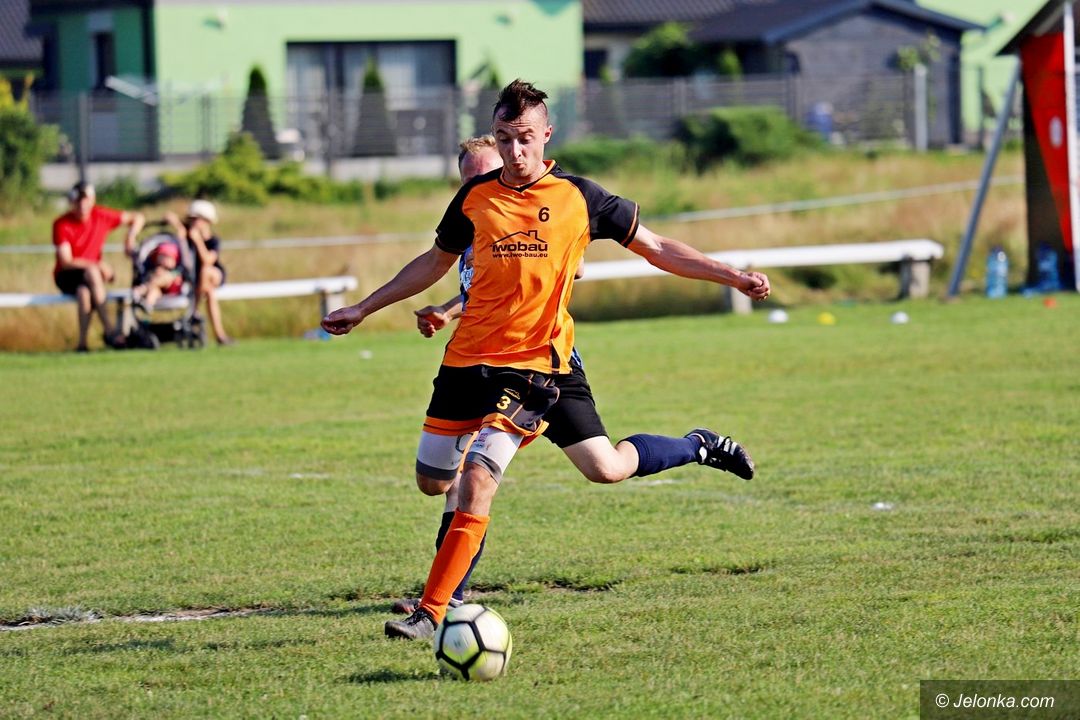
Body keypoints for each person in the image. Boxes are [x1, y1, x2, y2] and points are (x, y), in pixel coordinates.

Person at [321, 79, 771, 640]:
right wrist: (364, 308)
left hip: (536, 367)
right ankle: (698, 443)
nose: (514, 151)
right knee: (449, 481)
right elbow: (433, 262)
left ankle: (432, 611)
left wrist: (732, 275)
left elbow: (657, 248)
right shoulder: (474, 197)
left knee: (479, 476)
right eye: (504, 138)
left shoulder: (580, 198)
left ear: (547, 135)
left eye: (524, 138)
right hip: (466, 365)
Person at [52, 181, 145, 352]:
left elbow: (138, 218)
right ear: (72, 202)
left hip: (89, 279)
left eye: (85, 199)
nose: (82, 204)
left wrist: (130, 238)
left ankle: (82, 345)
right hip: (67, 275)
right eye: (78, 200)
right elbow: (66, 261)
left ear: (92, 200)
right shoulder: (61, 224)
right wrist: (98, 265)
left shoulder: (100, 216)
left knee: (84, 293)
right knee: (92, 272)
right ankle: (110, 331)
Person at [164, 200, 234, 345]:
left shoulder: (213, 240)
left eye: (197, 219)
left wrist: (198, 241)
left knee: (206, 271)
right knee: (210, 293)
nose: (194, 222)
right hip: (198, 282)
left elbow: (208, 260)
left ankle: (194, 310)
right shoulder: (187, 235)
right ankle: (220, 335)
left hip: (213, 274)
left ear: (207, 221)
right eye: (192, 219)